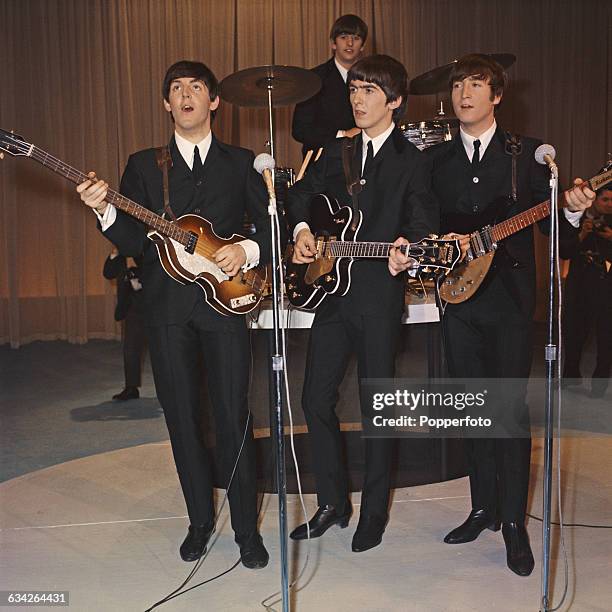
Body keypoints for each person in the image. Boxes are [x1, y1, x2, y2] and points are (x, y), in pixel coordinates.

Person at [389, 53, 594, 576]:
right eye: (459, 85)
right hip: (457, 298)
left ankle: (513, 521)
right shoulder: (435, 160)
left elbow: (564, 239)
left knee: (508, 410)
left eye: (476, 85)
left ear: (497, 95)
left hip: (508, 302)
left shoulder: (527, 155)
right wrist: (426, 244)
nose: (465, 93)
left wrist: (571, 206)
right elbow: (424, 222)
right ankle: (481, 508)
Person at [76, 60, 271, 568]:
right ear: (166, 104)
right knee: (182, 420)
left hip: (225, 307)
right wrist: (103, 210)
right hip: (164, 311)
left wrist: (246, 251)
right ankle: (200, 522)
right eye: (176, 89)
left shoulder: (242, 161)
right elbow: (134, 241)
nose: (185, 96)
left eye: (196, 88)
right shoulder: (144, 165)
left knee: (233, 419)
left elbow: (273, 228)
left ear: (214, 102)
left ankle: (247, 531)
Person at [287, 54, 439, 552]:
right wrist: (305, 230)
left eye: (369, 91)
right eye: (354, 89)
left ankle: (373, 512)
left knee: (379, 408)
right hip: (331, 296)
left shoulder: (413, 161)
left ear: (395, 101)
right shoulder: (335, 150)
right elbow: (302, 195)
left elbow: (421, 228)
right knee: (313, 399)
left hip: (377, 298)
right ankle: (332, 502)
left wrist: (407, 257)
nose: (357, 99)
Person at [291, 14, 368, 158]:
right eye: (343, 37)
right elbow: (300, 130)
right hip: (322, 163)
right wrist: (343, 134)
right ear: (333, 43)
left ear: (363, 46)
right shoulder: (313, 79)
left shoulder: (372, 79)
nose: (350, 43)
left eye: (356, 38)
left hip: (362, 158)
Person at [562, 185, 612, 397]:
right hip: (580, 285)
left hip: (606, 287)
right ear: (595, 199)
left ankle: (599, 385)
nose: (610, 205)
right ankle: (569, 377)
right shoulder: (579, 219)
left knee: (606, 336)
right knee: (574, 332)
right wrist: (583, 233)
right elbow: (565, 250)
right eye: (605, 200)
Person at [103, 248, 146, 401]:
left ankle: (173, 388)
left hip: (153, 305)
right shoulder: (120, 255)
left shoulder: (146, 248)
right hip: (132, 307)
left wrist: (137, 275)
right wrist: (114, 253)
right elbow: (108, 273)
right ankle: (131, 388)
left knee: (162, 349)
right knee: (131, 349)